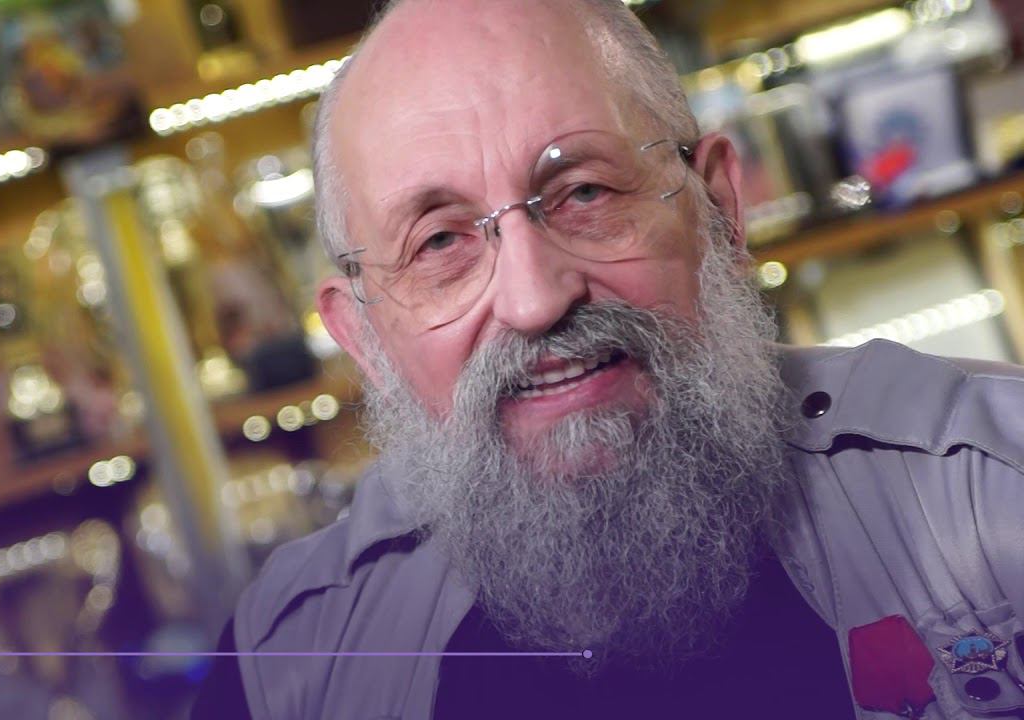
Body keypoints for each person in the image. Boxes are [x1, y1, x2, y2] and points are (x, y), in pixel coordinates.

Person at [192, 1, 1024, 718]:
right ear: (364, 338)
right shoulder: (289, 666)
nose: (533, 299)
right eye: (440, 242)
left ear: (719, 210)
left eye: (585, 193)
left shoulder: (997, 497)